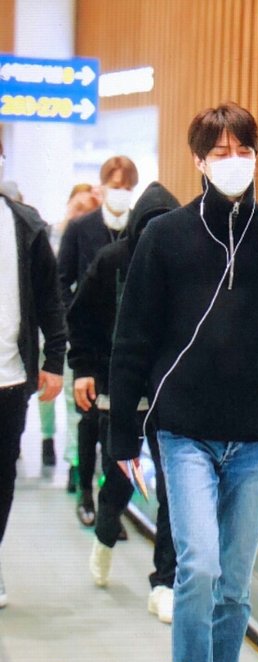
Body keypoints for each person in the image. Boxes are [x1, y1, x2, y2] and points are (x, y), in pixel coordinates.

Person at [108, 102, 258, 662]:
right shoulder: (165, 237)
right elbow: (132, 337)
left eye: (244, 150)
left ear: (257, 155)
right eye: (220, 152)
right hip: (183, 433)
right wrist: (123, 430)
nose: (234, 161)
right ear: (199, 161)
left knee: (233, 583)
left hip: (253, 438)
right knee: (198, 566)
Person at [67, 181, 180, 623]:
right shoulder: (112, 260)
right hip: (121, 393)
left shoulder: (185, 264)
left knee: (173, 491)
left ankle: (164, 582)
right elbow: (81, 317)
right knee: (121, 480)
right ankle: (105, 531)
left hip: (171, 397)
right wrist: (84, 369)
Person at [0, 139, 66, 608]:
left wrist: (54, 360)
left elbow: (49, 298)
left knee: (2, 475)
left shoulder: (25, 225)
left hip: (9, 377)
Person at [57, 156, 138, 527]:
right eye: (115, 186)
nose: (121, 193)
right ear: (102, 186)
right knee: (89, 419)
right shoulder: (81, 228)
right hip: (90, 338)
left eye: (127, 187)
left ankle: (111, 504)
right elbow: (62, 280)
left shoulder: (139, 229)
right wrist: (73, 317)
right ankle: (86, 493)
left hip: (127, 343)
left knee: (118, 425)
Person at [39, 184, 101, 475]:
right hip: (44, 329)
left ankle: (75, 460)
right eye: (77, 208)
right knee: (45, 391)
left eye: (87, 211)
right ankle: (47, 437)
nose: (80, 215)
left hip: (73, 329)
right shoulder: (47, 235)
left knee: (71, 393)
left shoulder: (88, 240)